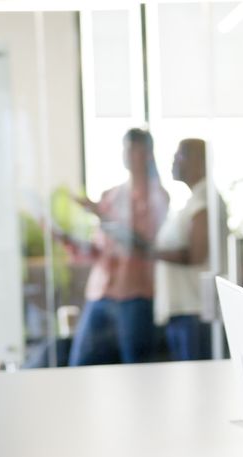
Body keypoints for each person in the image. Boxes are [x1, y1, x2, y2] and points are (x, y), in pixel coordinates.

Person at [62, 128, 170, 366]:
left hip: (135, 296)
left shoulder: (158, 197)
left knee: (137, 370)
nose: (127, 153)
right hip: (101, 294)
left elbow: (142, 245)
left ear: (148, 153)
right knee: (80, 364)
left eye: (133, 148)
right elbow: (98, 250)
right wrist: (66, 239)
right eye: (125, 147)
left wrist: (100, 214)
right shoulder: (111, 196)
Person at [153, 138, 226, 360]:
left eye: (181, 155)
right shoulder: (193, 200)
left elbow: (196, 254)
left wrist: (146, 251)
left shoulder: (204, 201)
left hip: (194, 312)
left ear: (200, 162)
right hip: (183, 312)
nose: (174, 161)